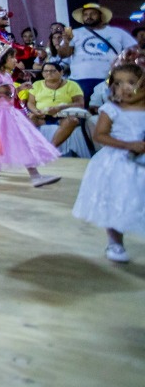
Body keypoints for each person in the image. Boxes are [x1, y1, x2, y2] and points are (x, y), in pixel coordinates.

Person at [72, 59, 145, 263]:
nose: (125, 88)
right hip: (119, 163)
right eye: (118, 83)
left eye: (131, 82)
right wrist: (127, 145)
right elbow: (100, 136)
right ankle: (115, 242)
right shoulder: (111, 109)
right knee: (116, 201)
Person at [0, 41, 61, 187]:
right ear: (2, 59)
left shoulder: (6, 75)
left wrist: (19, 89)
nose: (16, 61)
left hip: (9, 114)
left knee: (22, 141)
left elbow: (7, 94)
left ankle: (35, 175)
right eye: (12, 58)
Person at [56, 3, 134, 102]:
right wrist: (66, 41)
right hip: (80, 79)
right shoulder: (74, 33)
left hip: (110, 79)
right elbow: (63, 55)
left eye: (93, 14)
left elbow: (133, 51)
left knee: (111, 110)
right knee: (82, 111)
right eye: (85, 14)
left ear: (101, 16)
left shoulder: (117, 32)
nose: (89, 17)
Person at [26, 60, 87, 154]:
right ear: (42, 73)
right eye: (45, 71)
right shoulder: (37, 85)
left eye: (52, 71)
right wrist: (36, 111)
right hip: (41, 116)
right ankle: (30, 151)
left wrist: (59, 108)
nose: (49, 73)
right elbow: (30, 103)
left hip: (63, 116)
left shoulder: (72, 85)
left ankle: (50, 148)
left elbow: (80, 104)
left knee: (73, 120)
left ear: (61, 72)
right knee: (29, 118)